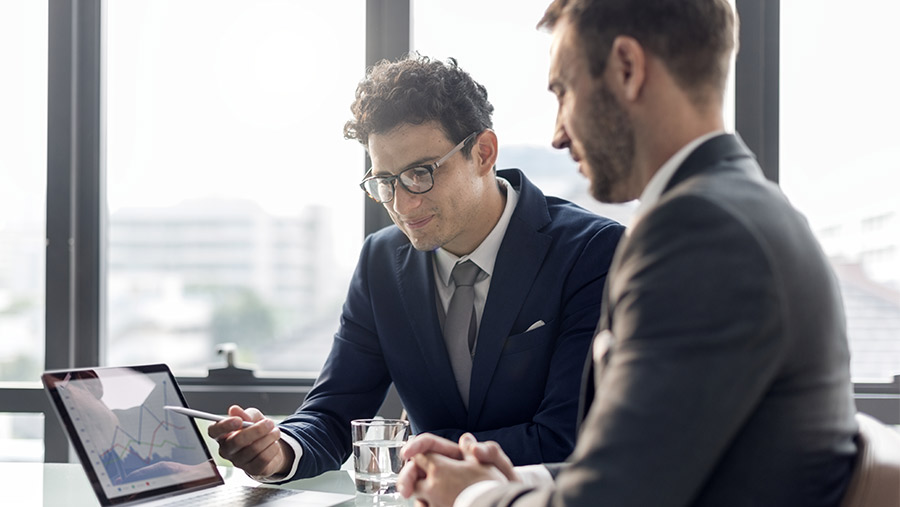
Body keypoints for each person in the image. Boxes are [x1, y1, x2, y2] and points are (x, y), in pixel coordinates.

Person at [397, 1, 859, 506]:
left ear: (627, 69)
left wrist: (471, 499)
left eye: (563, 91)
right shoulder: (737, 210)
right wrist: (518, 482)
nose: (557, 135)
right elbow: (652, 461)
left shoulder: (699, 233)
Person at [207, 55, 624, 482]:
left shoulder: (592, 253)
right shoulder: (381, 262)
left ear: (483, 153)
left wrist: (421, 455)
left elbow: (566, 439)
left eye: (420, 173)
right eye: (385, 181)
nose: (403, 205)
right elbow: (333, 412)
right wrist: (278, 450)